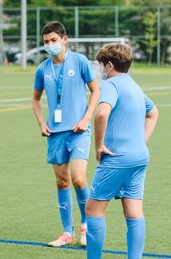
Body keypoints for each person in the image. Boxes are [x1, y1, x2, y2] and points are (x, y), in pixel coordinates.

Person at [86, 43, 158, 259]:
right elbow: (153, 113)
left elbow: (101, 114)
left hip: (116, 158)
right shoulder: (135, 86)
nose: (99, 70)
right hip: (139, 158)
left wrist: (99, 145)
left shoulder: (111, 84)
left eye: (100, 65)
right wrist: (140, 141)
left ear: (109, 65)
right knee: (134, 213)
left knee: (92, 211)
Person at [32, 21, 100, 247]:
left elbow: (96, 90)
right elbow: (35, 98)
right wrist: (42, 122)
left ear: (64, 39)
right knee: (62, 182)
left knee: (79, 179)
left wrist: (85, 118)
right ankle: (66, 233)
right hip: (55, 133)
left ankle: (86, 225)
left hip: (78, 131)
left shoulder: (79, 61)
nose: (50, 45)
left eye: (53, 40)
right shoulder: (42, 69)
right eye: (45, 42)